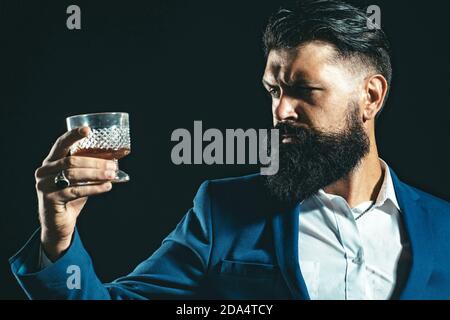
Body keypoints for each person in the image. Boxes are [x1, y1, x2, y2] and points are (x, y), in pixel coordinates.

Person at [10, 0, 450, 300]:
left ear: (371, 97)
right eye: (273, 90)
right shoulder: (222, 210)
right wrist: (58, 239)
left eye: (303, 91)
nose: (281, 110)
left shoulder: (443, 227)